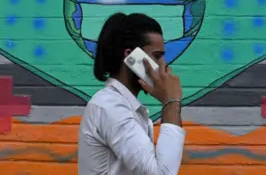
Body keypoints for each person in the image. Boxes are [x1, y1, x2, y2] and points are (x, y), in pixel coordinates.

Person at [78, 12, 185, 175]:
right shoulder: (110, 107)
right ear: (131, 57)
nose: (164, 65)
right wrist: (171, 101)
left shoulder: (124, 106)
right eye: (157, 56)